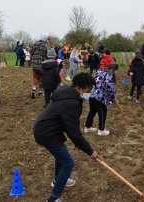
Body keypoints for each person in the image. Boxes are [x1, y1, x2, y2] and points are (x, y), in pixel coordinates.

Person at [33, 72, 99, 202]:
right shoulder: (71, 103)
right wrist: (90, 151)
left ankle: (58, 180)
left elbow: (68, 126)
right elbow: (74, 133)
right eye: (89, 89)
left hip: (48, 129)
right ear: (79, 88)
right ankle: (53, 198)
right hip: (47, 133)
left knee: (61, 157)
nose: (90, 92)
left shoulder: (67, 92)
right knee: (68, 163)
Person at [84, 62, 118, 136]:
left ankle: (87, 127)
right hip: (100, 97)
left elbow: (93, 80)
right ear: (114, 69)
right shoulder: (109, 74)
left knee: (92, 111)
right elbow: (110, 87)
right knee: (103, 112)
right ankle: (101, 130)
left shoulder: (99, 71)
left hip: (92, 94)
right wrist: (113, 97)